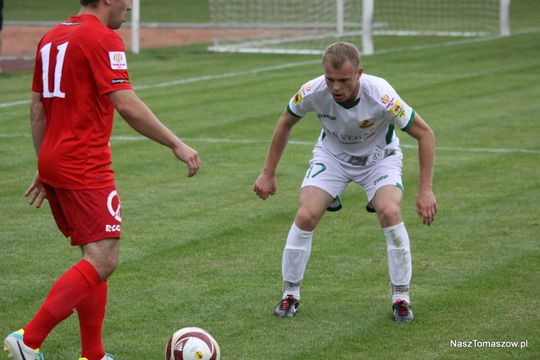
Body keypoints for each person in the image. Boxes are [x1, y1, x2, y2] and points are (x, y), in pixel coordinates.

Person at [3, 1, 200, 359]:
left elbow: (36, 109)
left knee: (93, 255)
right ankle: (28, 339)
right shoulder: (102, 38)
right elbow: (126, 104)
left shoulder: (51, 36)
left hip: (56, 159)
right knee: (104, 259)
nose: (130, 4)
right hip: (84, 163)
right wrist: (177, 143)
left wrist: (45, 163)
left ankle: (93, 355)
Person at [254, 42, 436, 323]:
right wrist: (268, 173)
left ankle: (401, 298)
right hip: (333, 157)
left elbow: (425, 134)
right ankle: (290, 294)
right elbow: (285, 122)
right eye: (330, 79)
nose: (335, 87)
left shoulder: (381, 95)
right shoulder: (314, 91)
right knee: (306, 214)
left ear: (359, 73)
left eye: (343, 80)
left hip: (379, 159)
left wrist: (425, 190)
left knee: (389, 211)